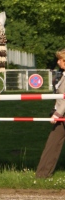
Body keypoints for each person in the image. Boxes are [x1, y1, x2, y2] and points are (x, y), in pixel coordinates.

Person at [35, 48, 65, 178]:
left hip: (61, 114)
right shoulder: (62, 75)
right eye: (58, 59)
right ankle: (42, 175)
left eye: (61, 59)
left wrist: (57, 114)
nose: (58, 62)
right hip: (61, 115)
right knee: (52, 144)